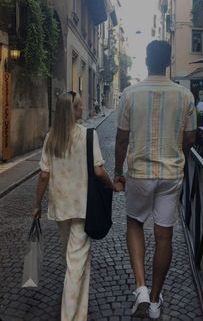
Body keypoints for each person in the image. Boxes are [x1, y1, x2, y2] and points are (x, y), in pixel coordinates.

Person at [114, 40, 196, 319]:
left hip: (139, 172)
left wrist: (117, 171)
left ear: (147, 61)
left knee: (134, 222)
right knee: (165, 236)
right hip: (171, 173)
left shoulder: (129, 94)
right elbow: (191, 138)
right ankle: (156, 300)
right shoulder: (186, 96)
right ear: (169, 62)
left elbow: (122, 137)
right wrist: (176, 152)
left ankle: (141, 288)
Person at [32, 91, 122, 321]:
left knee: (75, 260)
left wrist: (37, 205)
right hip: (82, 207)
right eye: (79, 107)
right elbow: (99, 170)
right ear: (70, 111)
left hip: (61, 207)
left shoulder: (51, 137)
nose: (82, 110)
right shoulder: (86, 135)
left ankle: (79, 313)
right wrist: (113, 187)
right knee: (76, 262)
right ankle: (69, 315)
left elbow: (44, 175)